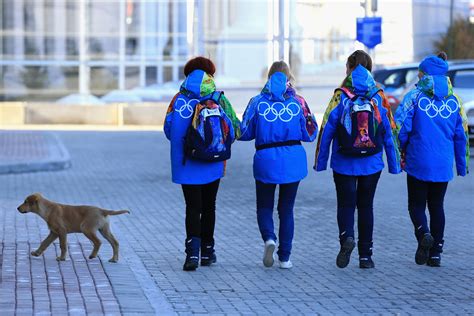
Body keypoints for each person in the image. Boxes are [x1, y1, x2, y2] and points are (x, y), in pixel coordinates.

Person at [314, 50, 401, 269]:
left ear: (349, 69)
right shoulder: (378, 96)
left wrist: (320, 161)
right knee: (366, 207)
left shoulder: (340, 96)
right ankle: (366, 256)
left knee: (345, 205)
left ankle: (346, 238)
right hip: (372, 162)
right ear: (370, 68)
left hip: (344, 161)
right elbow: (390, 131)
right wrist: (394, 164)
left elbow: (326, 129)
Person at [164, 57, 240, 271]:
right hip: (213, 162)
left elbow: (168, 130)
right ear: (210, 75)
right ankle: (208, 251)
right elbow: (234, 129)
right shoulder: (218, 98)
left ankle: (191, 254)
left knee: (192, 207)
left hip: (187, 162)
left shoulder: (178, 100)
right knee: (209, 206)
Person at [239, 61, 318, 269]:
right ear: (288, 78)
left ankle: (269, 238)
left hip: (266, 159)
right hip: (293, 160)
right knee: (286, 209)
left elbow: (244, 132)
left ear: (269, 78)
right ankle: (285, 258)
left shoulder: (257, 102)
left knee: (264, 206)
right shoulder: (299, 102)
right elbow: (310, 133)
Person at [395, 52, 469, 267]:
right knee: (437, 205)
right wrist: (461, 166)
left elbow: (400, 128)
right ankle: (436, 253)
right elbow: (461, 134)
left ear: (423, 73)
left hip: (419, 159)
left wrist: (401, 151)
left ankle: (423, 234)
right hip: (443, 162)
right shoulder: (455, 101)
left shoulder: (414, 97)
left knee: (416, 205)